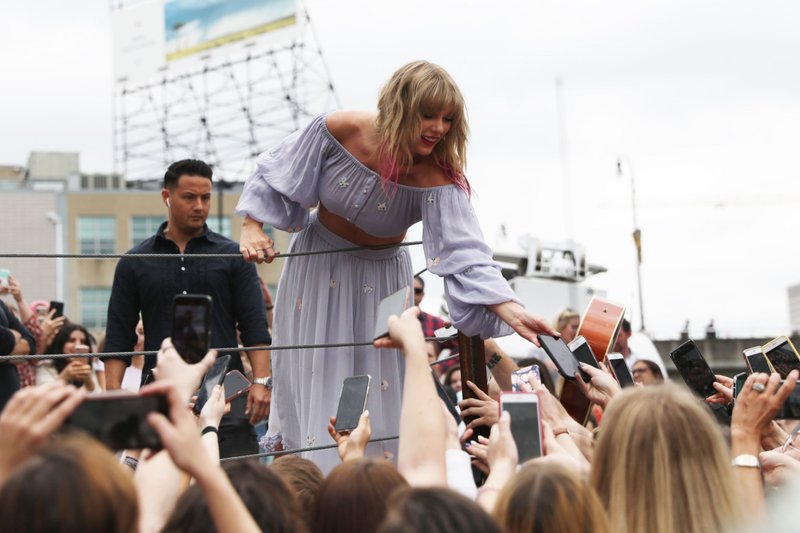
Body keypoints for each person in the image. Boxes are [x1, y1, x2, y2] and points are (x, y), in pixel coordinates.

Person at [236, 60, 556, 471]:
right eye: (428, 115)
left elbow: (468, 254)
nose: (438, 128)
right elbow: (278, 170)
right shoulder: (340, 128)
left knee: (379, 385)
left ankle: (373, 482)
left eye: (448, 119)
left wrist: (511, 310)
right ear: (400, 107)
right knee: (314, 376)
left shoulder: (439, 176)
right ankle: (311, 481)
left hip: (382, 280)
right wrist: (252, 226)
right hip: (316, 269)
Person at [103, 158, 272, 457]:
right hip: (160, 400)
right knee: (161, 483)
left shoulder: (234, 256)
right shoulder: (135, 262)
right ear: (166, 196)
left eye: (206, 197)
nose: (199, 206)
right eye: (189, 197)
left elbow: (254, 326)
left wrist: (261, 382)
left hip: (226, 396)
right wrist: (114, 395)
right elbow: (118, 335)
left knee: (236, 481)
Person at [0, 298, 34, 411]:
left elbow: (30, 342)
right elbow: (3, 340)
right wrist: (14, 335)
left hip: (9, 407)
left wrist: (4, 356)